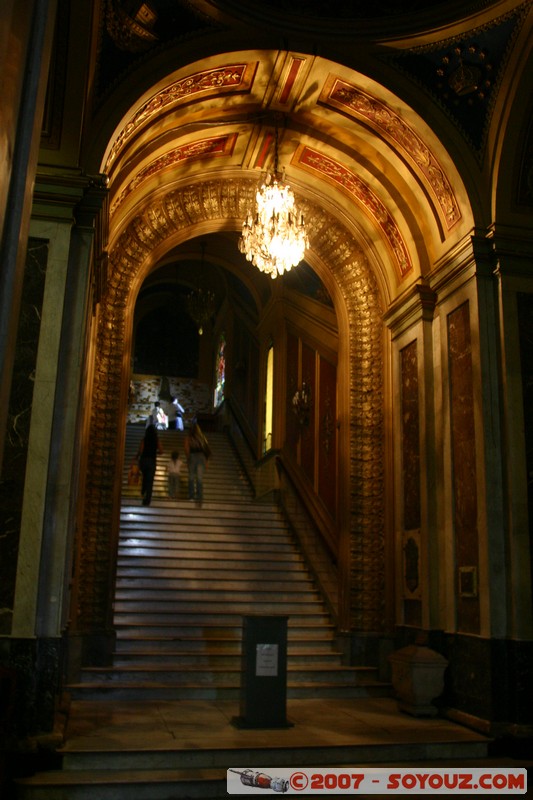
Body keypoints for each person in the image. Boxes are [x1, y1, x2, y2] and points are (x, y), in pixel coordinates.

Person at [184, 422, 211, 503]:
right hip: (201, 457)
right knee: (199, 477)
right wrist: (206, 461)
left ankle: (191, 495)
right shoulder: (202, 438)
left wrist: (188, 458)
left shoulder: (188, 438)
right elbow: (207, 449)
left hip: (193, 456)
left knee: (191, 477)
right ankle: (199, 496)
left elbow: (186, 448)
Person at [137, 424, 163, 506]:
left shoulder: (144, 440)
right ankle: (147, 499)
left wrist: (136, 457)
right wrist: (155, 452)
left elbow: (140, 451)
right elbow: (161, 450)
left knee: (144, 477)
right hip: (152, 461)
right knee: (150, 480)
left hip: (144, 460)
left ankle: (143, 491)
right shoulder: (156, 440)